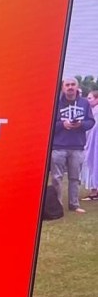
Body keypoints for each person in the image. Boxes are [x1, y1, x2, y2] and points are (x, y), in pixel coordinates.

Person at [50, 77, 94, 214]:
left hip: (77, 146)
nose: (70, 87)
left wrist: (80, 124)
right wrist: (62, 124)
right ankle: (58, 205)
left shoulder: (84, 103)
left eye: (72, 84)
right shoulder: (55, 103)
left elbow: (91, 122)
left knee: (75, 178)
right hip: (58, 146)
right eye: (67, 85)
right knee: (57, 177)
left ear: (77, 87)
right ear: (63, 87)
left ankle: (74, 205)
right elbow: (49, 124)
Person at [82, 88, 98, 201]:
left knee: (93, 163)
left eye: (90, 98)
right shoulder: (91, 111)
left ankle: (94, 192)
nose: (88, 100)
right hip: (89, 143)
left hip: (94, 144)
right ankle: (94, 190)